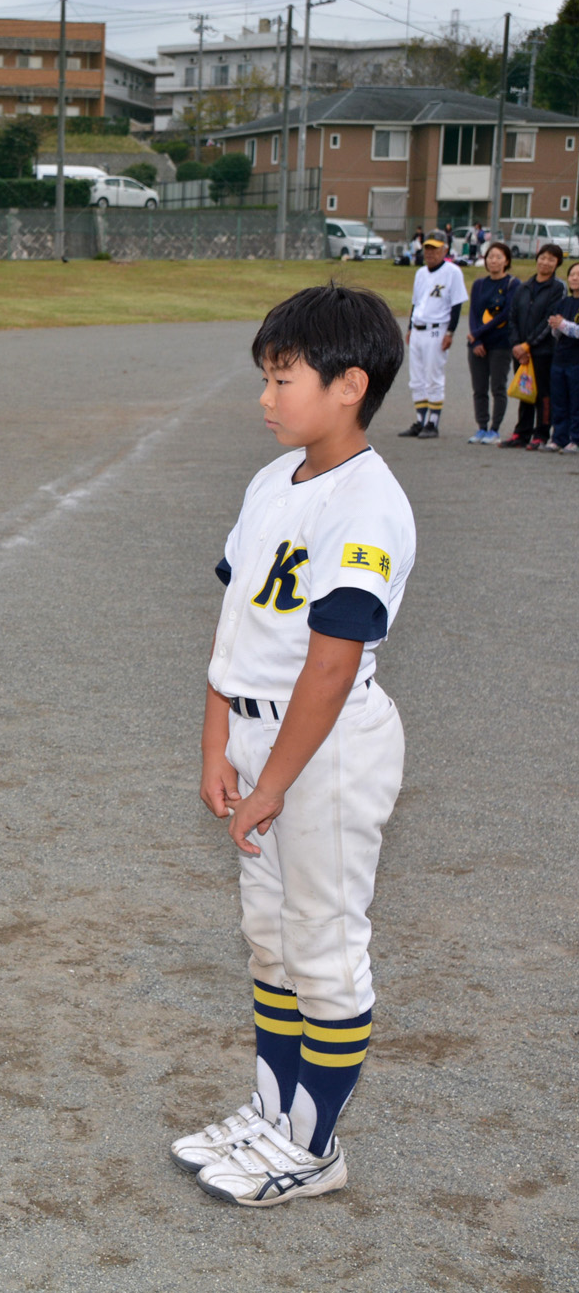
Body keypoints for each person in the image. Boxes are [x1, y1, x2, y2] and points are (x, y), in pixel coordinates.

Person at [173, 283, 411, 1208]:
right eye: (264, 378)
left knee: (322, 948)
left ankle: (313, 1147)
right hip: (256, 736)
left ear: (349, 385)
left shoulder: (368, 503)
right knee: (268, 942)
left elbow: (330, 662)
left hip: (323, 749)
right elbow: (233, 622)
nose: (265, 398)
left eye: (283, 379)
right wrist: (216, 744)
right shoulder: (272, 481)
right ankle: (274, 1115)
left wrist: (271, 781)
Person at [396, 232, 466, 440]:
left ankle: (432, 423)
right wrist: (410, 327)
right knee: (416, 378)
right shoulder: (420, 273)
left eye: (435, 248)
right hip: (418, 329)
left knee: (433, 377)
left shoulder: (452, 272)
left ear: (445, 250)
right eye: (427, 248)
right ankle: (420, 420)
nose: (430, 253)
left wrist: (450, 332)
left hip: (437, 330)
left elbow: (456, 305)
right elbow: (416, 302)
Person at [503, 244, 564, 450]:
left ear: (557, 264)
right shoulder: (524, 287)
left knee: (543, 394)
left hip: (542, 351)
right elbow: (512, 317)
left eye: (551, 260)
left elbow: (550, 320)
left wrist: (528, 345)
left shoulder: (557, 289)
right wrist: (517, 345)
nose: (545, 262)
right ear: (537, 259)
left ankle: (542, 433)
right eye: (543, 258)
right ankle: (522, 432)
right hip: (520, 352)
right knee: (524, 391)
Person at [465, 242, 519, 444]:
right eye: (490, 257)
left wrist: (477, 333)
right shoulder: (479, 284)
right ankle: (481, 427)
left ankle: (494, 429)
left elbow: (505, 315)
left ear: (506, 261)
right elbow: (473, 313)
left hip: (500, 344)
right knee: (479, 389)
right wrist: (476, 339)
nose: (493, 260)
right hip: (478, 344)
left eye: (498, 257)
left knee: (497, 387)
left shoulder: (513, 284)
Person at [542, 260, 579, 453]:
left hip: (576, 360)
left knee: (576, 402)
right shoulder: (563, 303)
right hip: (560, 358)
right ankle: (559, 437)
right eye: (572, 274)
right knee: (559, 401)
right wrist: (556, 326)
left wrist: (563, 325)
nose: (575, 278)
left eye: (578, 275)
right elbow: (556, 333)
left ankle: (576, 439)